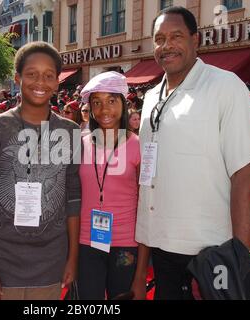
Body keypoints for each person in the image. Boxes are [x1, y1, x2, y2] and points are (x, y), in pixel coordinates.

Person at [135, 6, 250, 300]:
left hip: (211, 255)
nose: (166, 46)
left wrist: (239, 264)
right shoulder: (152, 96)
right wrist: (142, 269)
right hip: (161, 252)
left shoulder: (225, 86)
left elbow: (245, 176)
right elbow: (148, 179)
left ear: (196, 39)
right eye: (159, 38)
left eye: (176, 36)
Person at [0, 41, 81, 300]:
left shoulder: (70, 132)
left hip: (52, 264)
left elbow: (73, 198)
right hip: (1, 263)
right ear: (17, 78)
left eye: (49, 75)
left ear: (57, 82)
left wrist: (73, 258)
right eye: (31, 74)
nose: (40, 82)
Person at [78, 71, 148, 300]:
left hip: (126, 244)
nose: (104, 109)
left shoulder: (139, 146)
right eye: (96, 102)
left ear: (123, 103)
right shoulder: (80, 144)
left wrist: (141, 274)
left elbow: (148, 207)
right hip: (87, 242)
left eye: (111, 101)